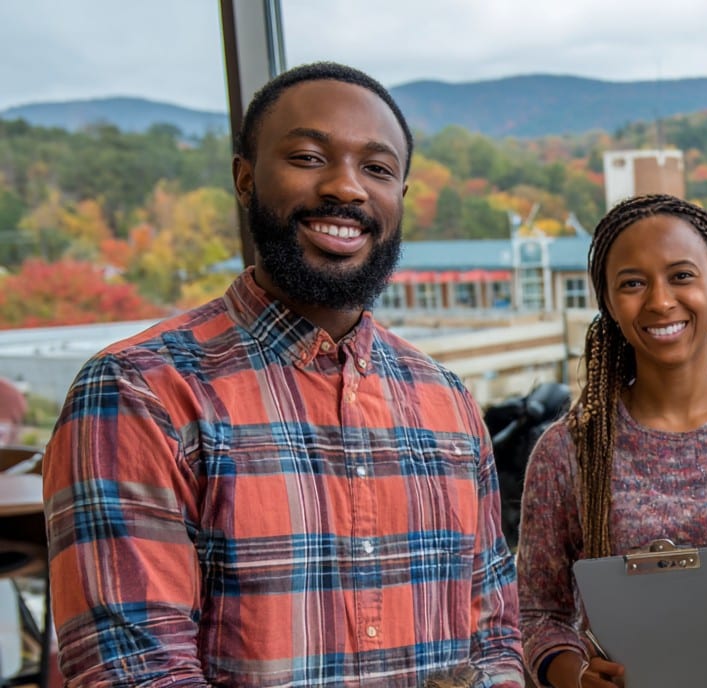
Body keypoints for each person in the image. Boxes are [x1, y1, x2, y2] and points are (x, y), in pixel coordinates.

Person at [42, 62, 523, 687]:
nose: (347, 189)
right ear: (245, 178)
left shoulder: (447, 401)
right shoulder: (142, 395)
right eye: (307, 156)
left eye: (377, 169)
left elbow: (493, 640)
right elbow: (137, 675)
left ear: (399, 198)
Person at [517, 194, 707, 688]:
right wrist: (575, 676)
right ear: (609, 303)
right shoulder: (567, 449)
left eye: (682, 275)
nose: (661, 301)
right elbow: (538, 613)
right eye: (633, 283)